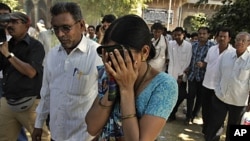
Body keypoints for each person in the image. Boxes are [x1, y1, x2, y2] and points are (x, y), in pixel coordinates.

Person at [85, 14, 178, 140]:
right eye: (108, 54)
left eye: (119, 55)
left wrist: (126, 89)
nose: (113, 62)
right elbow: (92, 127)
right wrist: (112, 88)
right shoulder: (108, 74)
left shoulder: (164, 85)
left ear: (144, 52)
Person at [32, 2, 103, 141]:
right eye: (56, 29)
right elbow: (46, 92)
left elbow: (106, 99)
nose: (60, 34)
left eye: (66, 28)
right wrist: (38, 124)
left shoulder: (97, 55)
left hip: (86, 137)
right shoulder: (52, 55)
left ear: (81, 25)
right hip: (57, 135)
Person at [0, 12, 50, 141]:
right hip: (8, 101)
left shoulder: (35, 46)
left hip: (30, 102)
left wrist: (8, 55)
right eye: (8, 22)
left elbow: (31, 72)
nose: (10, 25)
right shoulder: (6, 45)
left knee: (41, 138)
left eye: (15, 22)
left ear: (26, 26)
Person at [205, 32, 250, 141]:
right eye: (238, 39)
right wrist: (217, 90)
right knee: (214, 124)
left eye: (243, 40)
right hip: (221, 97)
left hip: (238, 101)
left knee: (236, 129)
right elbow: (219, 75)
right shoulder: (227, 55)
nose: (240, 42)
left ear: (249, 43)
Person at [201, 27, 235, 137]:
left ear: (229, 38)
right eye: (220, 36)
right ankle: (206, 131)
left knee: (216, 114)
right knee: (205, 110)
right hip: (207, 84)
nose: (222, 38)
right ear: (216, 37)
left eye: (224, 37)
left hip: (219, 88)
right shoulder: (212, 49)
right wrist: (202, 65)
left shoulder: (233, 53)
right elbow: (207, 63)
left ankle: (214, 133)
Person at [185, 27, 215, 125]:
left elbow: (213, 62)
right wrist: (188, 67)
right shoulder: (193, 45)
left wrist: (204, 64)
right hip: (193, 75)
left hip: (203, 77)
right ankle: (188, 116)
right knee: (190, 96)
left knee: (200, 98)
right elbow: (190, 58)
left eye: (204, 33)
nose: (201, 35)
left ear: (208, 35)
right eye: (200, 33)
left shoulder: (212, 47)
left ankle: (194, 114)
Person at [167, 27, 192, 121]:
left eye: (179, 35)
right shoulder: (171, 44)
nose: (176, 37)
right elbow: (171, 60)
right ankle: (171, 115)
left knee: (180, 95)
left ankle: (174, 112)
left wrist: (181, 76)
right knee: (171, 96)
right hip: (172, 74)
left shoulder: (188, 46)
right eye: (175, 35)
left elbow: (187, 61)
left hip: (182, 76)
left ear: (183, 35)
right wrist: (172, 75)